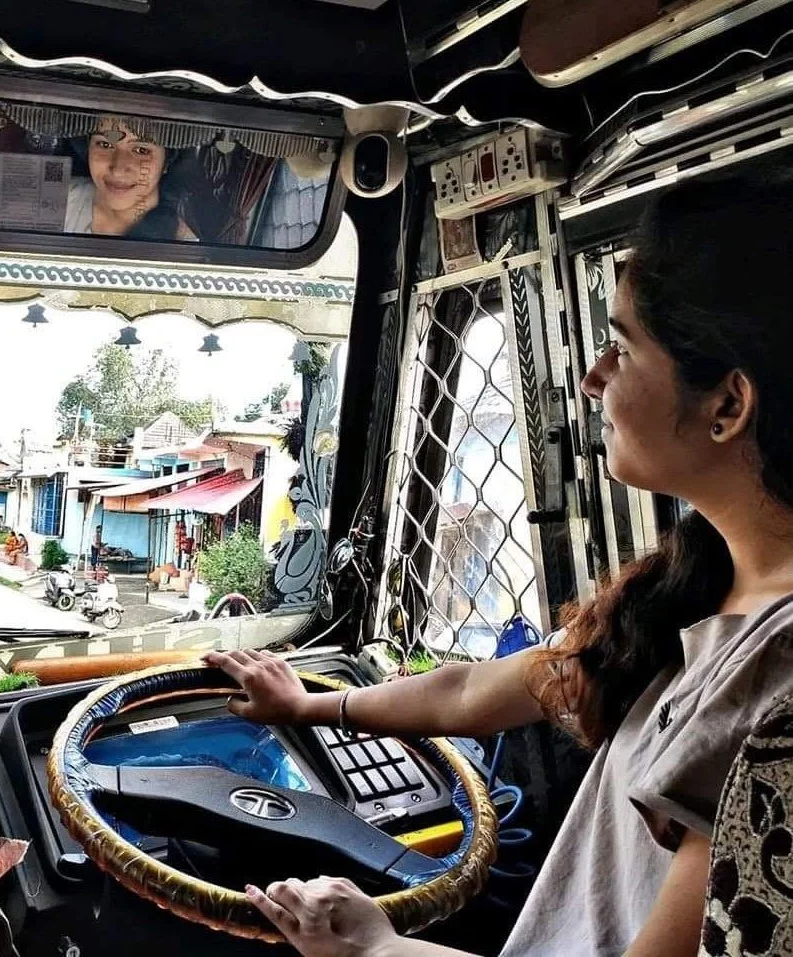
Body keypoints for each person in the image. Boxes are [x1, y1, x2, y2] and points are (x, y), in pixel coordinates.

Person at [205, 173, 793, 957]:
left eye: (619, 349)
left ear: (727, 405)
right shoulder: (701, 582)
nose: (591, 378)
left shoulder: (773, 673)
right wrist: (310, 707)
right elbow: (472, 689)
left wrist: (373, 946)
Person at [64, 120, 197, 241]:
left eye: (141, 150)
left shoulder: (192, 245)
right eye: (105, 144)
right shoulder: (56, 199)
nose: (118, 170)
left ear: (166, 162)